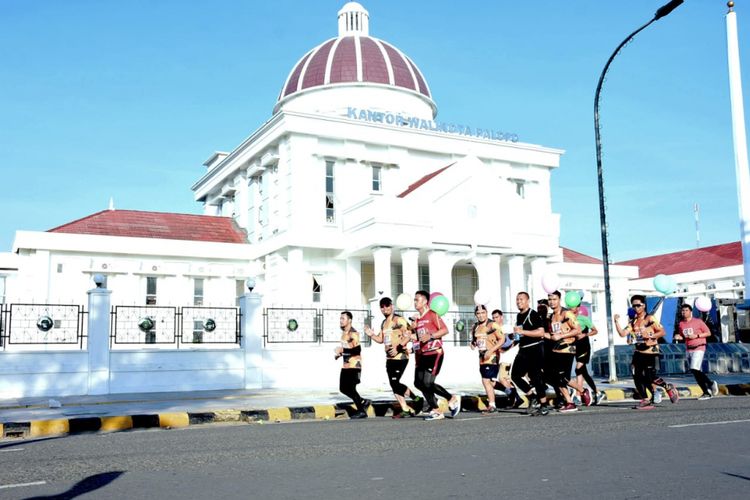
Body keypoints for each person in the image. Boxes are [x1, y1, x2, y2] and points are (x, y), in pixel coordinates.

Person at [614, 295, 679, 410]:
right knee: (636, 375)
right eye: (634, 306)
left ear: (643, 305)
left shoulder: (650, 318)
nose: (636, 308)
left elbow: (662, 332)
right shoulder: (633, 321)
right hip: (638, 351)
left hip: (651, 351)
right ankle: (645, 399)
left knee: (650, 377)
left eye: (638, 305)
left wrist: (650, 335)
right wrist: (616, 322)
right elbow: (623, 334)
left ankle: (668, 387)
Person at [365, 297, 421, 418]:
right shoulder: (384, 323)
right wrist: (371, 335)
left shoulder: (398, 320)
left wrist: (398, 347)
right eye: (382, 306)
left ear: (392, 306)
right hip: (389, 358)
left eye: (387, 305)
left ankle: (417, 399)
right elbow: (380, 339)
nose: (385, 308)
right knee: (393, 384)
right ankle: (405, 408)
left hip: (401, 356)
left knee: (395, 382)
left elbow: (409, 334)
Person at [411, 290, 461, 420]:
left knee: (428, 382)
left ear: (425, 301)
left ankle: (451, 398)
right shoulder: (418, 319)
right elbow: (419, 338)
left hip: (435, 353)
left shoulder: (432, 315)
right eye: (414, 300)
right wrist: (409, 338)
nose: (415, 302)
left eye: (417, 299)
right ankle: (436, 408)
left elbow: (445, 330)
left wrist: (431, 336)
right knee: (418, 383)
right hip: (422, 355)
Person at [546, 291, 587, 412]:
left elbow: (577, 330)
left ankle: (581, 392)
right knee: (556, 378)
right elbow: (553, 334)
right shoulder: (551, 317)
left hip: (567, 349)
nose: (552, 302)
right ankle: (569, 402)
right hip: (556, 350)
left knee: (563, 378)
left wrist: (562, 336)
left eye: (554, 299)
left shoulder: (567, 313)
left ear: (559, 300)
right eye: (550, 299)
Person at [511, 291, 549, 416]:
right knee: (515, 375)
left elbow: (541, 332)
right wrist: (512, 337)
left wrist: (523, 332)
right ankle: (532, 397)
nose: (519, 302)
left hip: (535, 348)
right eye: (517, 299)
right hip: (523, 349)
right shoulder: (519, 316)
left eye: (521, 299)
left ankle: (544, 405)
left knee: (536, 376)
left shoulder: (533, 314)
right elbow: (521, 334)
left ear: (528, 301)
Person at [675, 303, 719, 400]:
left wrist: (697, 336)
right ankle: (709, 385)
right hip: (688, 348)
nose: (684, 312)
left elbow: (708, 333)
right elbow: (683, 335)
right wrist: (679, 336)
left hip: (699, 347)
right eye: (682, 311)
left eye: (686, 310)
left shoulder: (698, 321)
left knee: (694, 368)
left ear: (690, 312)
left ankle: (707, 392)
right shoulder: (681, 324)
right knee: (695, 371)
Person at [334, 311, 370, 419]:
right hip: (346, 365)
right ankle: (363, 401)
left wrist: (343, 350)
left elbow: (357, 349)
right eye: (340, 319)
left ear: (349, 320)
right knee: (343, 388)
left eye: (343, 319)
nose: (341, 321)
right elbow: (348, 349)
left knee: (351, 389)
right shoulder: (344, 333)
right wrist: (340, 354)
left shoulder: (353, 333)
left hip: (354, 365)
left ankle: (361, 411)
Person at [470, 305, 504, 413]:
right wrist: (473, 344)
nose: (481, 315)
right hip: (482, 358)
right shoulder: (475, 326)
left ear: (487, 313)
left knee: (485, 380)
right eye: (478, 313)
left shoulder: (492, 325)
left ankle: (492, 405)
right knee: (490, 382)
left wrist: (491, 350)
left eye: (483, 313)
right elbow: (475, 340)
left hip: (492, 356)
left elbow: (502, 339)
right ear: (475, 315)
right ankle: (509, 390)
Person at [573, 305, 604, 405]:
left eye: (574, 307)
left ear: (578, 308)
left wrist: (585, 334)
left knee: (578, 369)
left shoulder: (584, 318)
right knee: (583, 372)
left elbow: (595, 330)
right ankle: (597, 392)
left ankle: (579, 393)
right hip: (575, 347)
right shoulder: (569, 318)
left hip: (584, 346)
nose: (572, 309)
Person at [493, 309, 522, 408]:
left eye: (496, 317)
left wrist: (504, 349)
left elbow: (516, 340)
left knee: (502, 378)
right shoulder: (494, 329)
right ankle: (516, 399)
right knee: (506, 379)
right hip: (500, 358)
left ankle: (515, 397)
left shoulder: (507, 328)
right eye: (493, 318)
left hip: (509, 357)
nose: (495, 319)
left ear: (501, 317)